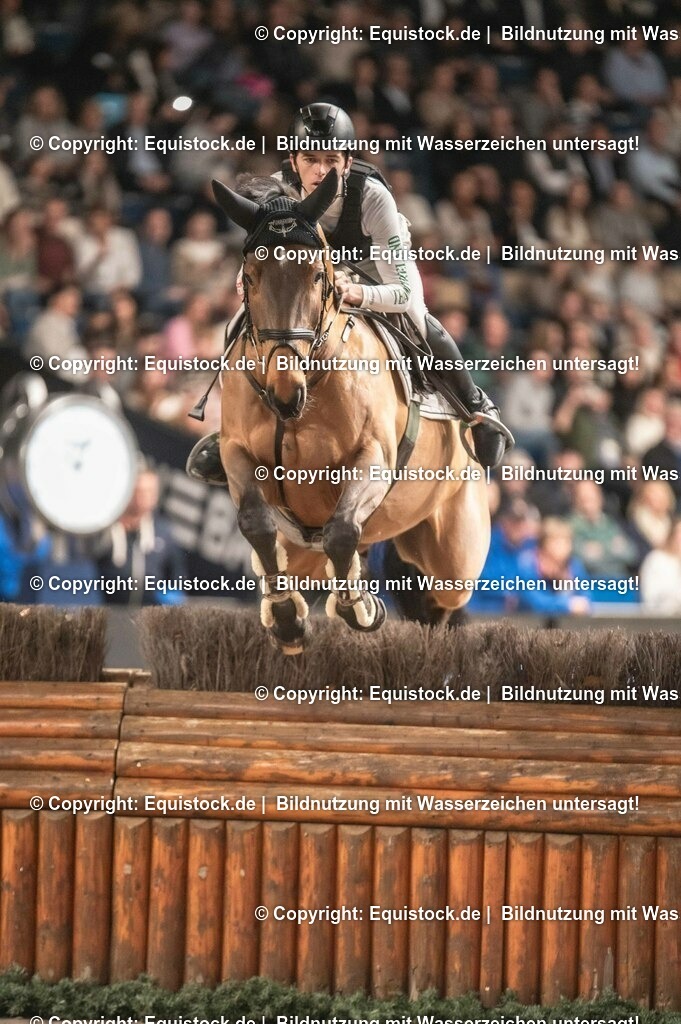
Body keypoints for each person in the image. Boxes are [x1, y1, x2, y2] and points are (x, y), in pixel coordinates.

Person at [187, 103, 512, 484]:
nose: (321, 170)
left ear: (348, 161)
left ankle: (476, 408)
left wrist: (358, 292)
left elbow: (403, 293)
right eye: (310, 158)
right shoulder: (278, 192)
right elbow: (262, 259)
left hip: (378, 275)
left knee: (420, 322)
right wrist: (248, 281)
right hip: (312, 279)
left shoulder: (373, 198)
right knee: (239, 325)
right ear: (293, 159)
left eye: (332, 160)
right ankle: (232, 429)